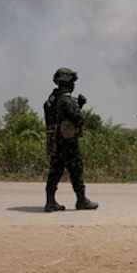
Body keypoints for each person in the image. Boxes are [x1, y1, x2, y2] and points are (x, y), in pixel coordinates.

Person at [43, 68, 99, 212]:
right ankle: (81, 200)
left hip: (55, 141)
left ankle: (50, 202)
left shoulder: (52, 99)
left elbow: (57, 116)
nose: (74, 85)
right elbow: (78, 119)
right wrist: (79, 107)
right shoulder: (66, 100)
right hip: (68, 142)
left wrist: (77, 105)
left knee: (55, 171)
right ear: (68, 82)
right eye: (73, 82)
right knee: (76, 170)